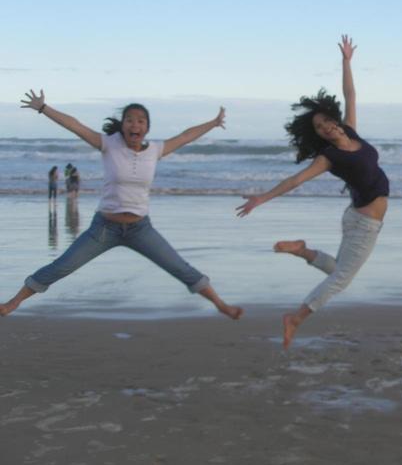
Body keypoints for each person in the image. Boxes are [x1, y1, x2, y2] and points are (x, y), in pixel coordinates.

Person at [0, 90, 243, 320]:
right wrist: (43, 107)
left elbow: (185, 136)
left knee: (180, 268)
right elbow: (74, 125)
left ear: (147, 127)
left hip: (140, 229)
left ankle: (222, 306)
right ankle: (13, 302)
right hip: (104, 228)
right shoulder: (108, 144)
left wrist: (213, 122)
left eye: (140, 121)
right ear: (123, 125)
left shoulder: (156, 150)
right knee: (62, 266)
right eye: (129, 120)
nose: (134, 125)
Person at [237, 35, 388, 348]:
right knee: (341, 278)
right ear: (318, 135)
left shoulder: (351, 131)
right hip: (363, 223)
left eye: (327, 121)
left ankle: (303, 250)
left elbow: (351, 95)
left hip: (361, 219)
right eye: (320, 128)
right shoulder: (328, 157)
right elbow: (295, 181)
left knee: (338, 270)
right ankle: (296, 317)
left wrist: (346, 62)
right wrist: (261, 199)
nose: (327, 127)